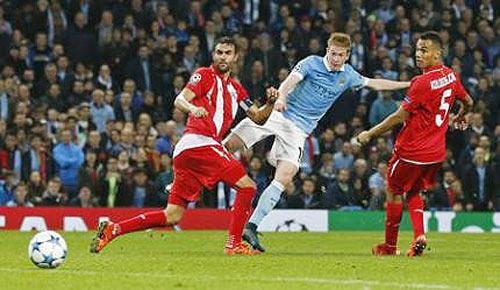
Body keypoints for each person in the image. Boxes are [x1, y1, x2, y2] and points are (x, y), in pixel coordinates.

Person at [90, 37, 278, 256]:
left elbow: (257, 117)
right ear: (213, 55)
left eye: (227, 53)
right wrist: (192, 108)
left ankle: (114, 229)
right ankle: (234, 243)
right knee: (247, 187)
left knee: (172, 215)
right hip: (199, 142)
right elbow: (181, 98)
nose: (223, 56)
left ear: (235, 57)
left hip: (191, 151)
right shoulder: (204, 75)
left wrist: (271, 104)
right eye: (219, 52)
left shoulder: (237, 90)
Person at [224, 32, 410, 252]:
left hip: (299, 131)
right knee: (228, 146)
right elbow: (289, 82)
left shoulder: (348, 75)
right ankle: (192, 173)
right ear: (327, 50)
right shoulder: (311, 63)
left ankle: (251, 227)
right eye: (332, 53)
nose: (335, 58)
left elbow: (374, 84)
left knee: (285, 175)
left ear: (347, 55)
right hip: (277, 115)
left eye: (340, 55)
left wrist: (407, 83)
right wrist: (281, 97)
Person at [356, 31, 474, 256]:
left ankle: (389, 247)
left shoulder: (422, 83)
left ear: (438, 54)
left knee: (393, 191)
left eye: (424, 50)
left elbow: (398, 117)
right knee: (414, 191)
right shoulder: (451, 75)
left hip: (411, 151)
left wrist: (369, 134)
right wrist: (460, 115)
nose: (418, 55)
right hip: (436, 153)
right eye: (418, 49)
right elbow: (468, 101)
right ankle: (419, 234)